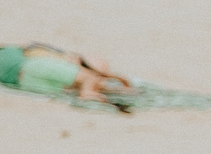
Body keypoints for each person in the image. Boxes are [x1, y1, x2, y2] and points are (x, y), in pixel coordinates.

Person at [1, 43, 133, 107]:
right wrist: (115, 77)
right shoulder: (67, 67)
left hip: (21, 72)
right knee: (87, 82)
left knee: (86, 83)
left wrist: (116, 79)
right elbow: (90, 78)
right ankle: (90, 87)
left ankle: (92, 86)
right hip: (23, 72)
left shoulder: (62, 65)